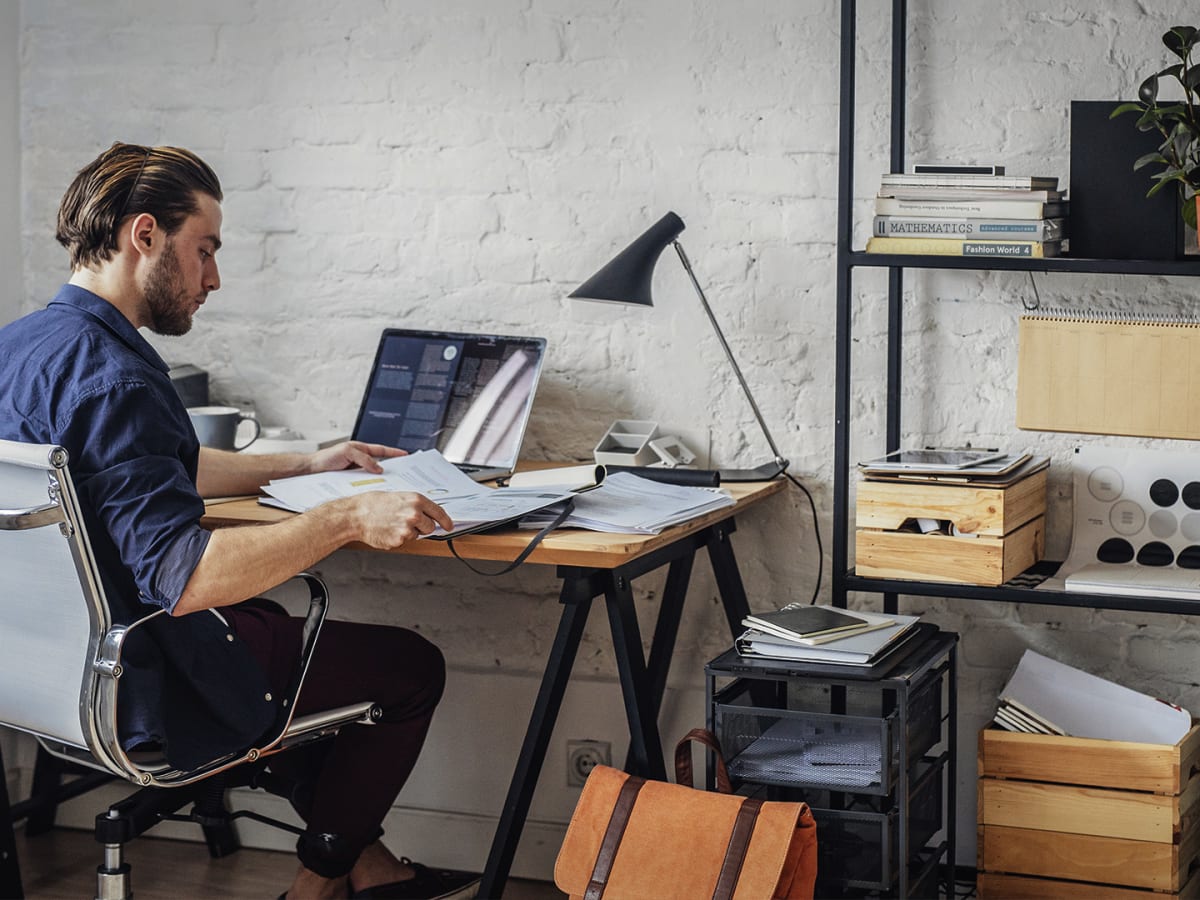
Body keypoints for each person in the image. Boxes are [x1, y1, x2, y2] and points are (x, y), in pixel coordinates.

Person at [0, 142, 480, 900]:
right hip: (143, 681)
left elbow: (154, 466)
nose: (213, 278)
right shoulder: (119, 379)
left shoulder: (22, 348)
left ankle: (367, 867)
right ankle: (318, 884)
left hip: (41, 671)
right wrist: (347, 517)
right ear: (145, 235)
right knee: (411, 668)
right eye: (206, 249)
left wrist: (307, 463)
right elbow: (185, 579)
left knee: (274, 639)